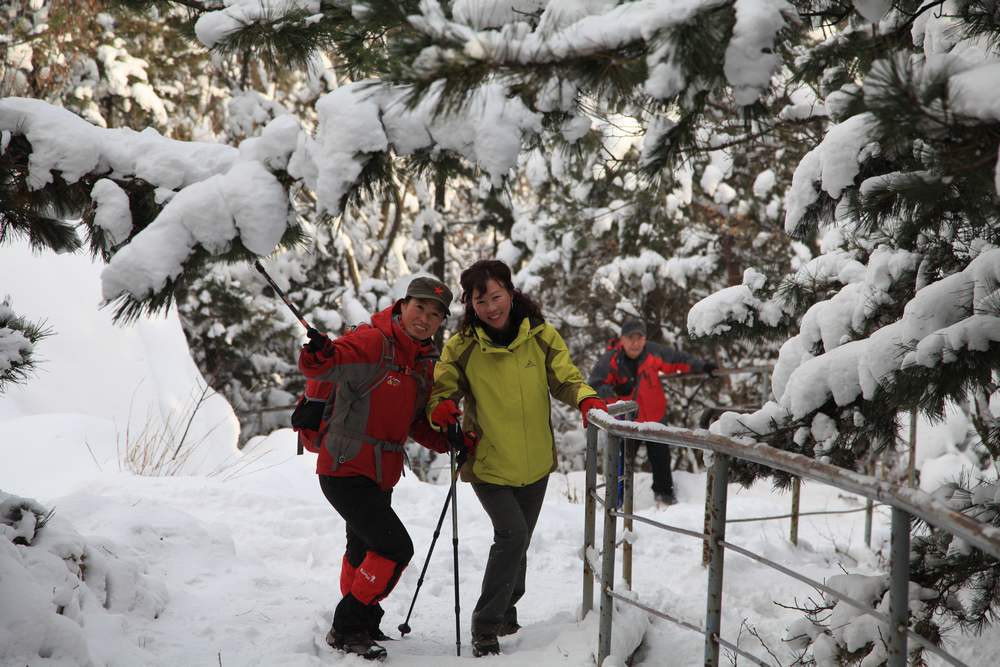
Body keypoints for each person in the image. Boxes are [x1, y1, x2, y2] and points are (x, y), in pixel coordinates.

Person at [427, 259, 605, 658]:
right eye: (480, 300)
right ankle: (486, 625)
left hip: (536, 463)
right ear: (469, 304)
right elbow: (441, 391)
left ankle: (507, 611)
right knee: (512, 536)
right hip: (489, 462)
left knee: (517, 542)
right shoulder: (463, 346)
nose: (491, 306)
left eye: (496, 296)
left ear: (510, 291)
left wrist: (586, 398)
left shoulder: (540, 335)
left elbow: (565, 378)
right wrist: (441, 411)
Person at [299, 276, 474, 662]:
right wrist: (319, 354)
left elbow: (414, 423)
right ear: (403, 304)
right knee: (395, 547)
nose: (425, 319)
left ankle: (363, 622)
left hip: (380, 472)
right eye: (420, 308)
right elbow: (328, 363)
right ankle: (347, 627)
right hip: (344, 468)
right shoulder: (372, 341)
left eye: (435, 314)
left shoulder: (422, 362)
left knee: (362, 547)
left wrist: (448, 441)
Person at [588, 318, 716, 506]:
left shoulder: (653, 352)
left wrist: (703, 366)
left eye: (640, 338)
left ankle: (664, 498)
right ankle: (615, 503)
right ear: (622, 339)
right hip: (626, 422)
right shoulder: (611, 361)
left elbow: (677, 359)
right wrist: (615, 393)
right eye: (630, 338)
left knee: (661, 460)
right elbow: (595, 386)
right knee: (620, 463)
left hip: (655, 418)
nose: (635, 343)